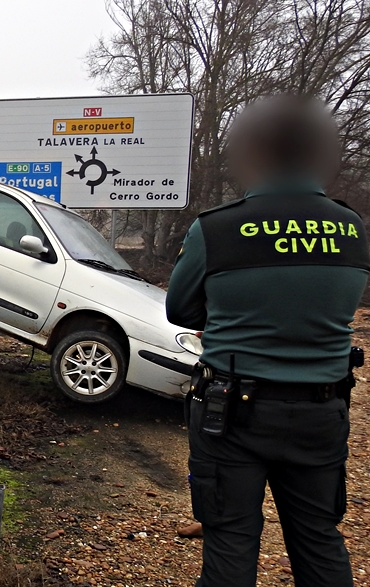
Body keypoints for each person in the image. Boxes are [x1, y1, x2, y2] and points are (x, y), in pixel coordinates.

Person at [166, 95, 367, 587]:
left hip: (230, 412)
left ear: (254, 156)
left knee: (231, 541)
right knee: (319, 540)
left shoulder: (217, 228)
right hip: (322, 409)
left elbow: (180, 309)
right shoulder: (351, 228)